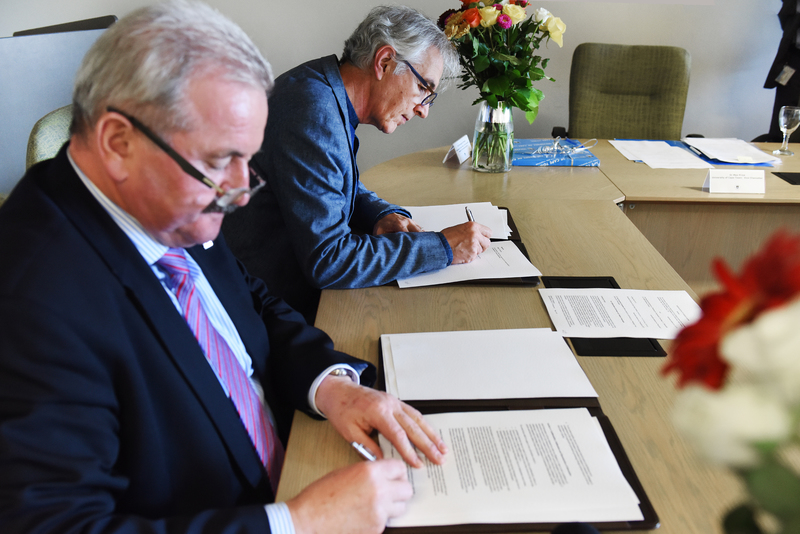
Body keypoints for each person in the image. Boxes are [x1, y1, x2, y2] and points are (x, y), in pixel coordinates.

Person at [0, 2, 448, 533]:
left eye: (247, 157)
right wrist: (296, 524)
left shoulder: (160, 197)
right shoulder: (33, 299)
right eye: (218, 162)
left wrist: (330, 383)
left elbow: (250, 300)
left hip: (304, 453)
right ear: (119, 143)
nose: (239, 194)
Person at [222, 5, 493, 323]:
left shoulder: (319, 87)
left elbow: (333, 178)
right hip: (270, 311)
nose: (423, 110)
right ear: (385, 61)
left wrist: (382, 214)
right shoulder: (313, 113)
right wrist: (442, 247)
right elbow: (330, 260)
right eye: (424, 89)